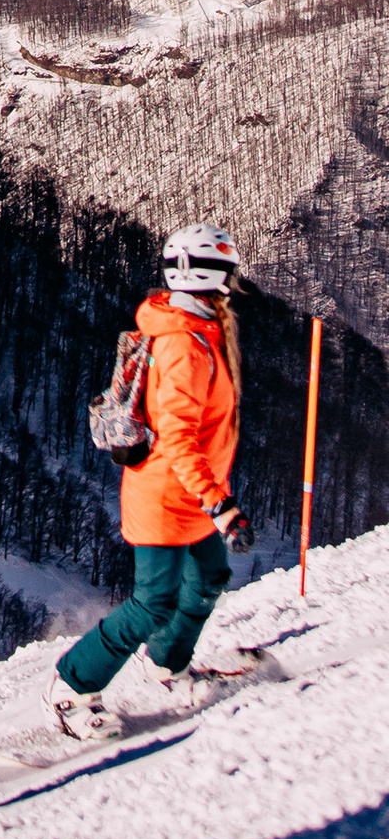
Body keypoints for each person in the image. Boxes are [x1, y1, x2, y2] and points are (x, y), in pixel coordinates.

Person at [55, 223, 253, 739]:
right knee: (153, 602)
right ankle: (72, 687)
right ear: (211, 276)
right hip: (168, 497)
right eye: (229, 271)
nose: (235, 281)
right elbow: (179, 440)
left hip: (192, 493)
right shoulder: (185, 346)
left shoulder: (200, 330)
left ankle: (167, 662)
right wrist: (221, 505)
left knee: (209, 577)